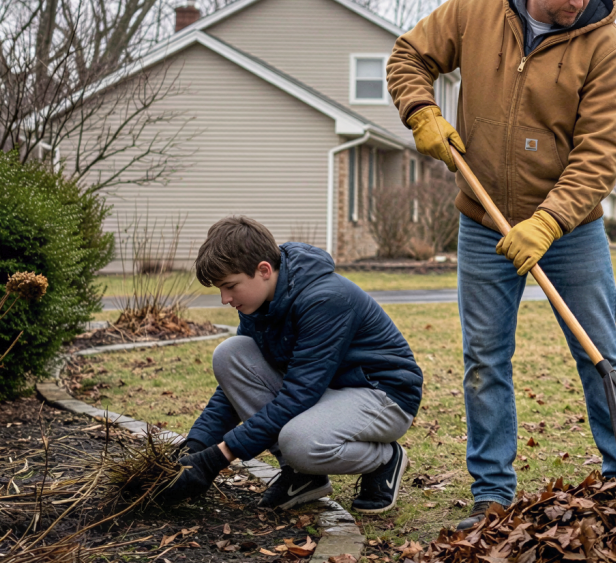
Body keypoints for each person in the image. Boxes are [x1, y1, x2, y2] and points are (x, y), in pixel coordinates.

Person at [387, 0, 616, 530]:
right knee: (485, 360)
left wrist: (549, 223)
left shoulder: (606, 48)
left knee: (601, 354)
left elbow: (599, 154)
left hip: (571, 233)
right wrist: (421, 110)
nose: (579, 0)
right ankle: (492, 496)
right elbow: (408, 55)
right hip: (483, 223)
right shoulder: (475, 13)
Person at [158, 216, 424, 514]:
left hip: (382, 394)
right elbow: (234, 389)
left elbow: (299, 395)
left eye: (230, 286)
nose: (224, 299)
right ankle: (304, 476)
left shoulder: (325, 299)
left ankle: (385, 459)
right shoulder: (260, 303)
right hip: (326, 391)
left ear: (263, 270)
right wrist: (193, 449)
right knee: (230, 353)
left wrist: (217, 458)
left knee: (300, 442)